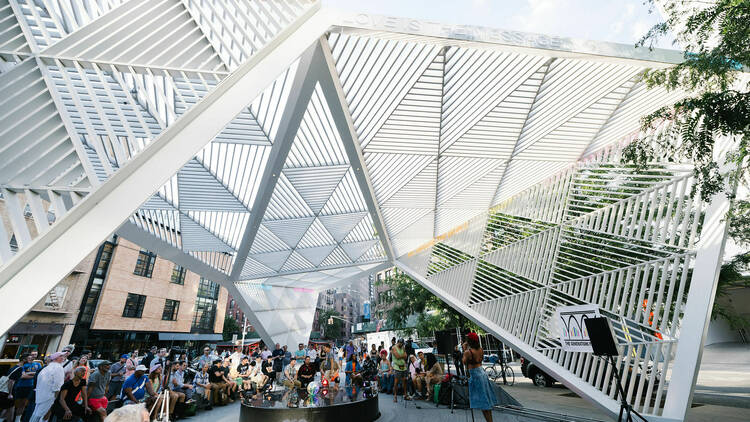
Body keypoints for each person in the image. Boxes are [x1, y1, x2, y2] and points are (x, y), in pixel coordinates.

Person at [463, 332, 498, 422]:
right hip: (482, 373)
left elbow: (464, 362)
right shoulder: (480, 350)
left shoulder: (468, 352)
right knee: (485, 401)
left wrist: (464, 349)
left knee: (484, 403)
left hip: (476, 376)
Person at [30, 352, 66, 422]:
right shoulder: (59, 368)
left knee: (36, 414)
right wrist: (56, 398)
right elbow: (58, 386)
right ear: (56, 358)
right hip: (49, 396)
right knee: (41, 416)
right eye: (61, 356)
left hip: (41, 395)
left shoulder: (47, 368)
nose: (63, 357)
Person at [390, 338, 409, 402]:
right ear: (398, 342)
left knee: (405, 381)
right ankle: (395, 396)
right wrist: (402, 355)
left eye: (403, 343)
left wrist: (402, 356)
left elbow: (406, 356)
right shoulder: (394, 348)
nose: (402, 344)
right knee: (396, 383)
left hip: (403, 366)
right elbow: (397, 357)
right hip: (397, 367)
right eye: (401, 343)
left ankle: (405, 395)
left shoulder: (403, 347)